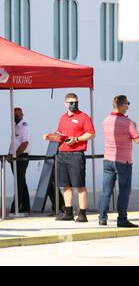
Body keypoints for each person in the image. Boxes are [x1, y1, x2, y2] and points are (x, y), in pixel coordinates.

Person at [43, 93, 95, 222]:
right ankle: (68, 213)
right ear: (65, 103)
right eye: (71, 102)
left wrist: (76, 139)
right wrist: (50, 136)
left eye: (76, 102)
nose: (74, 104)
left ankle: (82, 214)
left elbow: (91, 134)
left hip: (76, 155)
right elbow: (60, 135)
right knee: (66, 186)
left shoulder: (84, 117)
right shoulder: (62, 118)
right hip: (62, 154)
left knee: (80, 185)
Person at [99, 95, 139, 228]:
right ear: (121, 105)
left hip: (108, 160)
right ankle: (122, 219)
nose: (128, 106)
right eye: (127, 104)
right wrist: (135, 127)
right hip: (123, 161)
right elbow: (137, 139)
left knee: (106, 191)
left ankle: (102, 218)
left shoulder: (106, 120)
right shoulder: (128, 123)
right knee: (124, 191)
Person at [8, 107, 31, 214]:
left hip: (21, 157)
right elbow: (14, 143)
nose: (14, 117)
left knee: (18, 182)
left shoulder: (24, 126)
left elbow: (24, 143)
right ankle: (25, 206)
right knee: (21, 181)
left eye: (15, 115)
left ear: (20, 115)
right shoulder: (15, 127)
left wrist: (15, 156)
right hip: (15, 157)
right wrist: (9, 154)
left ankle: (16, 207)